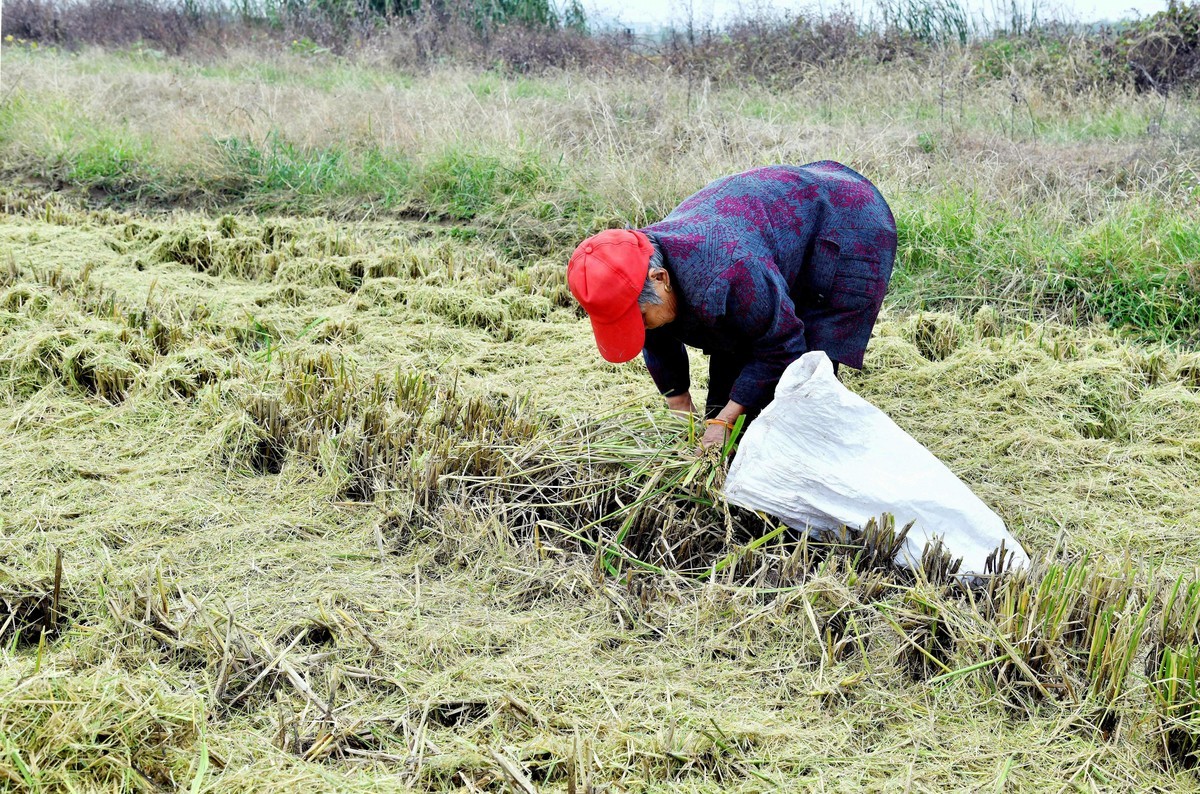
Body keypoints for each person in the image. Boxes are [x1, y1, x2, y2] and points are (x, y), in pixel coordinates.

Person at [567, 161, 896, 450]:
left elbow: (783, 345)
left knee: (806, 372)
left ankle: (818, 451)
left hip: (845, 224)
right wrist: (681, 404)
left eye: (638, 317)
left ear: (660, 278)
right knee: (725, 401)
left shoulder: (730, 271)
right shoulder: (639, 262)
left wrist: (727, 420)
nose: (639, 328)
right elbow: (656, 333)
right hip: (755, 230)